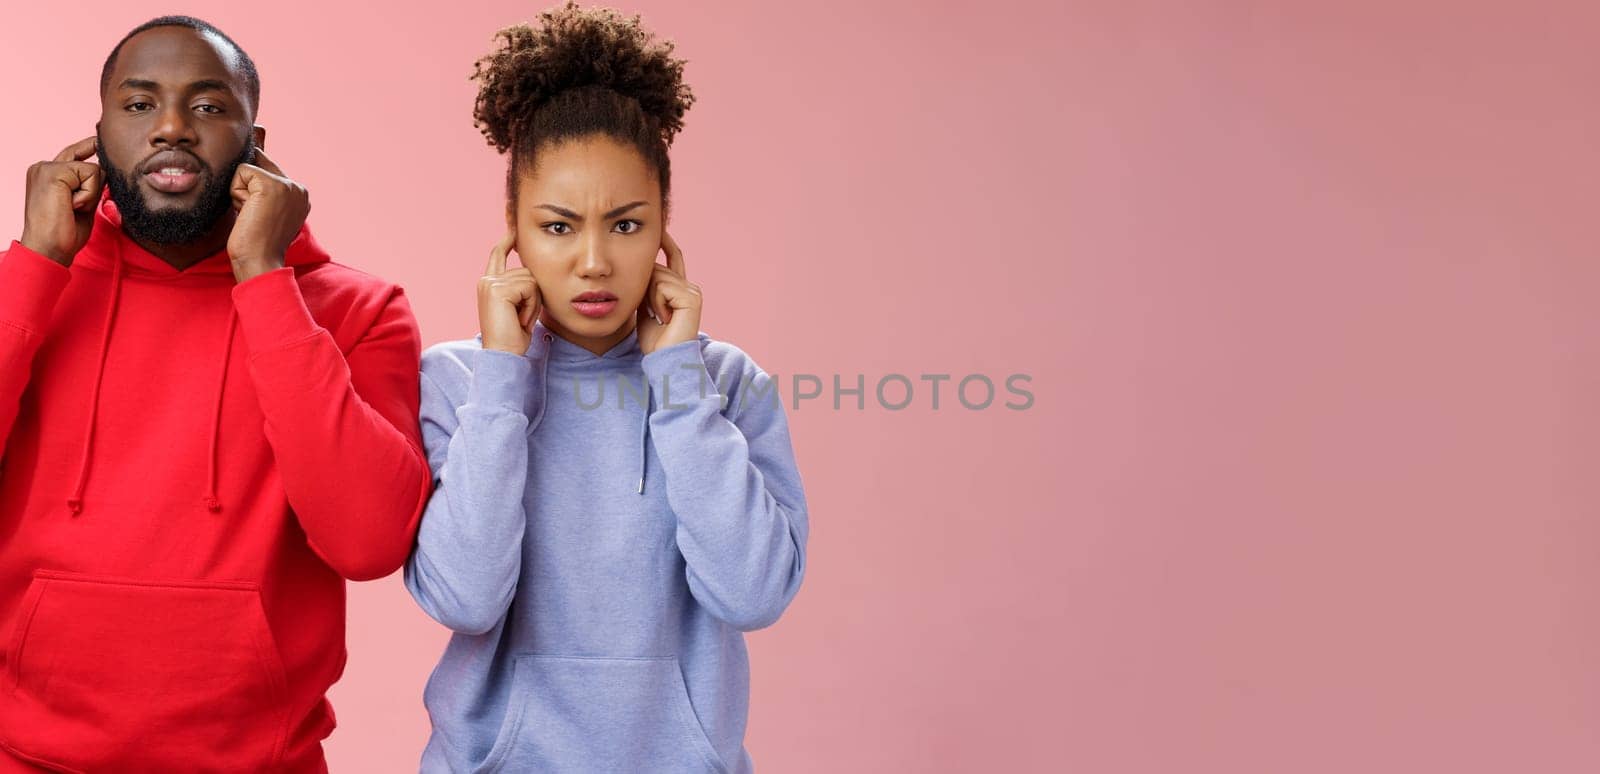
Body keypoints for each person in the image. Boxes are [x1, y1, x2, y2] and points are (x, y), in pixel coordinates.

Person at [0, 16, 429, 772]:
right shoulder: (27, 292)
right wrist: (34, 267)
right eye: (138, 106)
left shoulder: (358, 311)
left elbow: (367, 543)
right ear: (95, 139)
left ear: (254, 144)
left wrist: (265, 277)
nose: (172, 127)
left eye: (208, 106)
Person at [405, 4, 809, 771]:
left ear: (664, 229)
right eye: (558, 226)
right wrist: (504, 377)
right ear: (513, 231)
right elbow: (463, 599)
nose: (593, 261)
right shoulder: (458, 381)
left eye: (625, 225)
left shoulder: (727, 384)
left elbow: (754, 595)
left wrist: (679, 385)